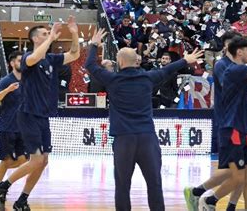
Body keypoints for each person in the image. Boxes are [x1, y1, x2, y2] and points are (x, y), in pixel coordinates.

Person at [87, 28, 203, 211]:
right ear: (136, 62)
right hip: (147, 138)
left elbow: (90, 66)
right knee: (154, 184)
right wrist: (185, 60)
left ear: (120, 61)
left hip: (123, 139)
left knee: (123, 187)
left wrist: (94, 45)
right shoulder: (148, 77)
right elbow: (168, 69)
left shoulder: (112, 80)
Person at [184, 29, 247, 211]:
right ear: (232, 48)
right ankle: (203, 196)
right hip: (229, 122)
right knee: (236, 173)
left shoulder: (240, 68)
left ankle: (222, 202)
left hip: (243, 124)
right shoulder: (225, 67)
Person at [0, 15, 80, 210]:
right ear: (35, 38)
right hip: (28, 114)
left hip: (43, 116)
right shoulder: (26, 58)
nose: (49, 35)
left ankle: (22, 199)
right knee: (37, 159)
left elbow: (74, 54)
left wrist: (74, 33)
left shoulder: (51, 59)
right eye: (44, 33)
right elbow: (33, 58)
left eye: (49, 33)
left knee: (43, 161)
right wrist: (51, 39)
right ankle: (3, 186)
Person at [0, 51, 28, 196]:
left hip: (23, 127)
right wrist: (8, 90)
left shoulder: (27, 80)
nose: (22, 63)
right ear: (12, 63)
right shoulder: (7, 80)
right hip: (7, 126)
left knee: (24, 161)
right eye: (19, 60)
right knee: (6, 161)